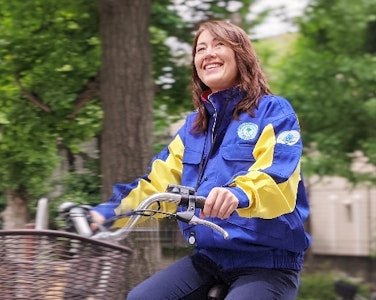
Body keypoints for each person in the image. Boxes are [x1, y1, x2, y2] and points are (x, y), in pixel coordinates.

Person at [91, 20, 311, 300]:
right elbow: (155, 185)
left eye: (219, 44)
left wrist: (238, 194)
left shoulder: (273, 111)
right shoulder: (193, 127)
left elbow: (278, 176)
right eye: (201, 48)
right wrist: (106, 213)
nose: (208, 53)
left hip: (267, 262)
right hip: (209, 258)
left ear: (241, 55)